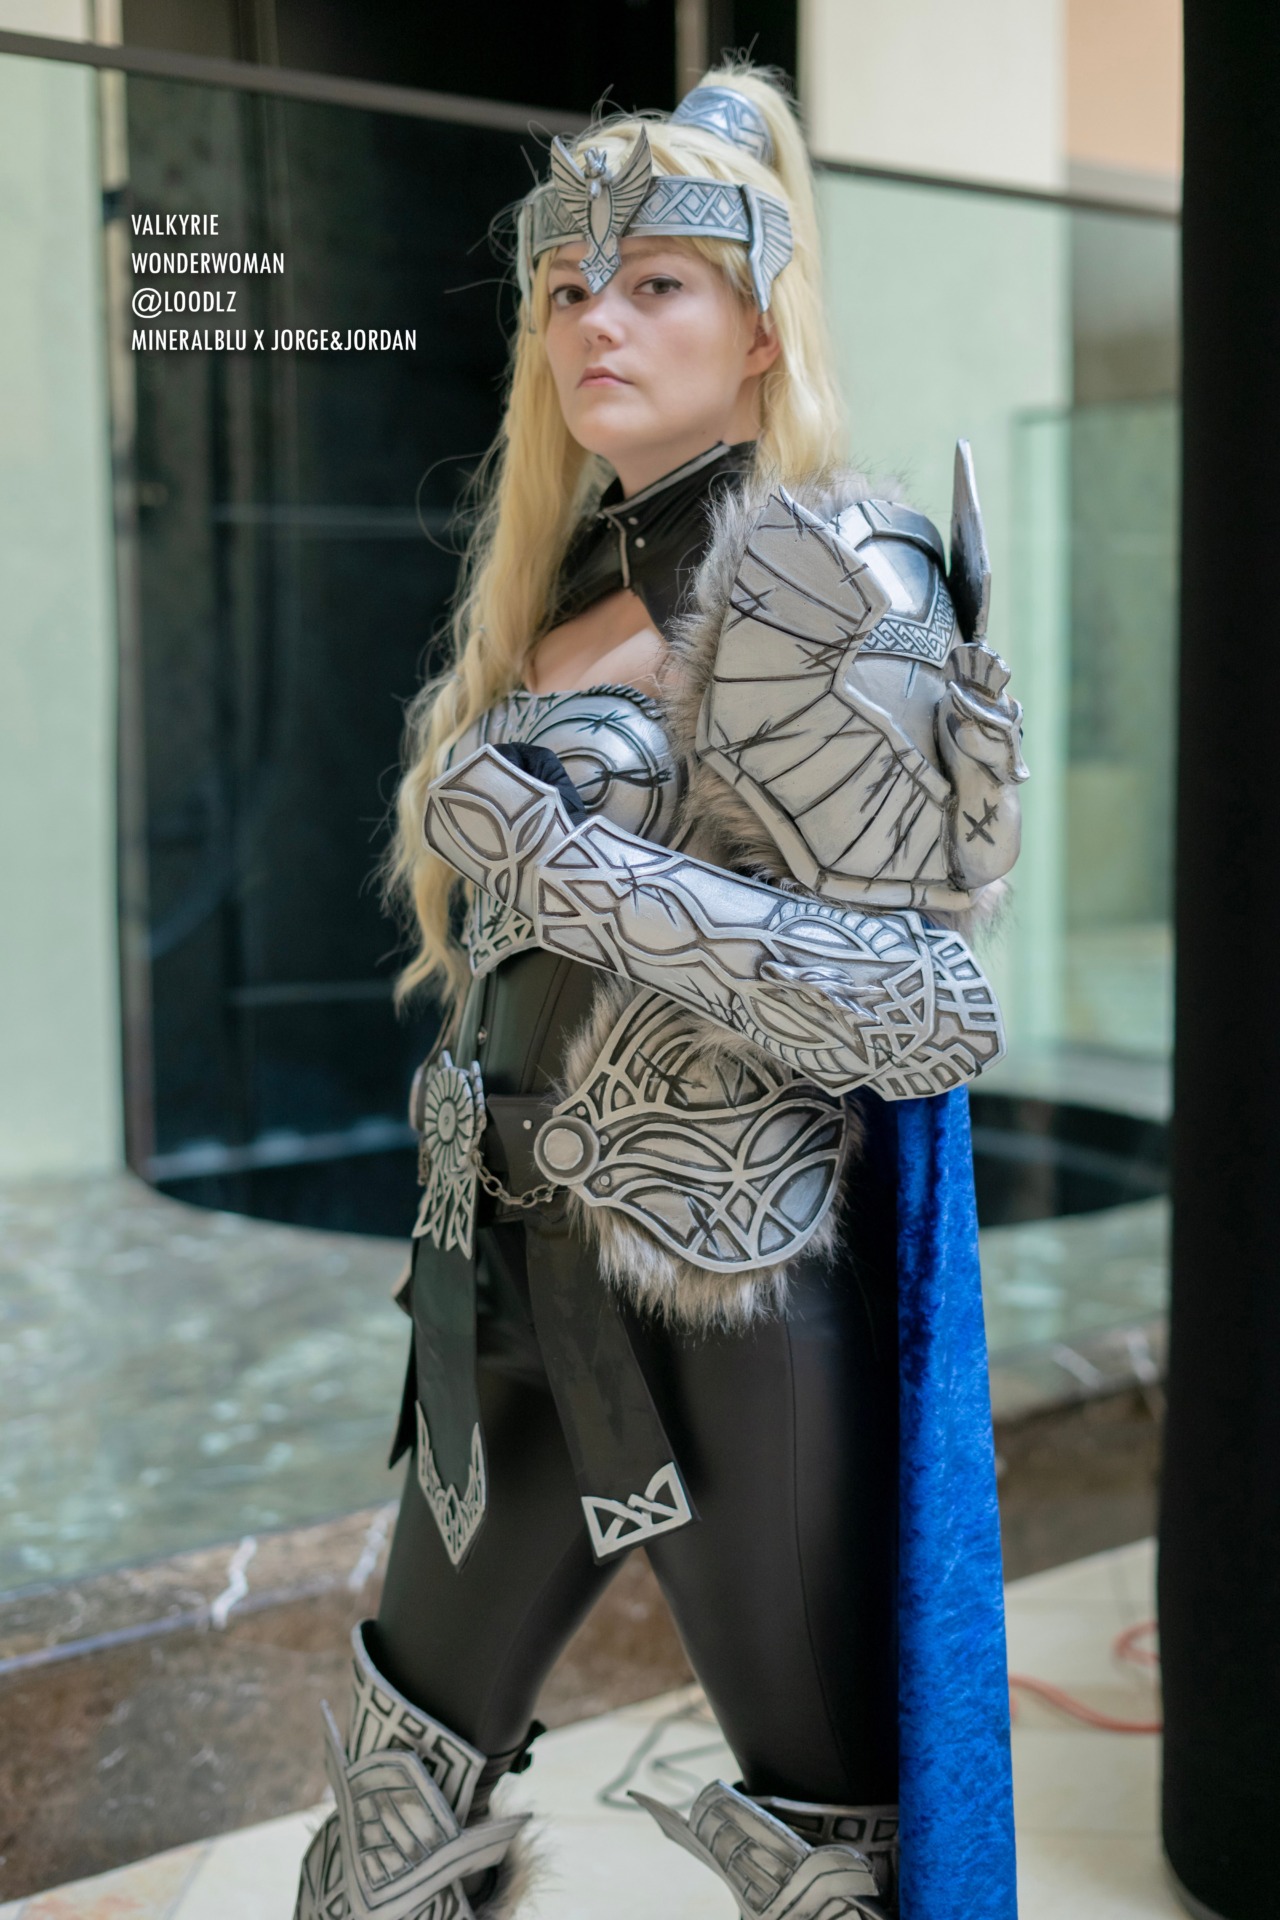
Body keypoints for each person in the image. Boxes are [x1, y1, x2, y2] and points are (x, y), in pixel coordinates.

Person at [295, 65, 1026, 1920]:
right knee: (389, 1815)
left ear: (763, 327)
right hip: (502, 1270)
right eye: (568, 288)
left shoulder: (833, 577)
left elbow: (922, 1007)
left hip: (733, 1292)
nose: (595, 322)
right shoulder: (556, 584)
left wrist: (573, 872)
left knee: (827, 1858)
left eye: (657, 283)